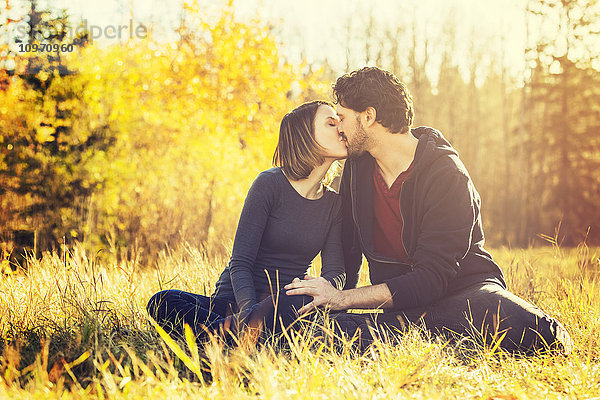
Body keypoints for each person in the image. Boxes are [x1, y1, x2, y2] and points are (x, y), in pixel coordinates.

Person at [284, 67, 572, 355]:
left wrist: (345, 299)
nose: (340, 130)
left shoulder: (446, 175)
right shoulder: (358, 169)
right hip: (401, 306)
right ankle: (424, 336)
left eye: (343, 118)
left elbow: (432, 279)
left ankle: (414, 334)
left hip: (463, 294)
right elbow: (349, 255)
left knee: (533, 329)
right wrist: (330, 302)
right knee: (318, 330)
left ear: (368, 117)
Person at [147, 100, 347, 344]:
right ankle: (239, 337)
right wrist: (249, 316)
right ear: (306, 135)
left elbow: (335, 273)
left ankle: (216, 338)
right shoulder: (269, 184)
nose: (341, 128)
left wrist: (322, 289)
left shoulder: (334, 204)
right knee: (162, 301)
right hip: (233, 303)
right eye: (331, 123)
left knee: (298, 298)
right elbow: (240, 263)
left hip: (283, 306)